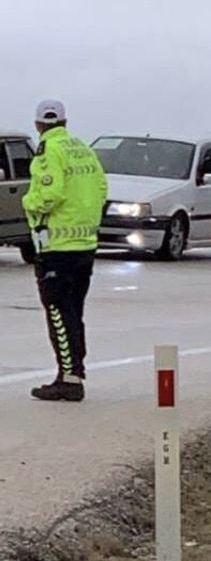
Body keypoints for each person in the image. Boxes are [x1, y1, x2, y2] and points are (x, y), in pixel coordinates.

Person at [22, 100, 108, 402]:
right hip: (84, 243)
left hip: (56, 246)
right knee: (74, 311)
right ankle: (73, 372)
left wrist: (29, 203)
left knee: (58, 310)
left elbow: (50, 193)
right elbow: (101, 188)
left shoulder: (49, 151)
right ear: (65, 122)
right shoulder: (82, 148)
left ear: (38, 125)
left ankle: (69, 378)